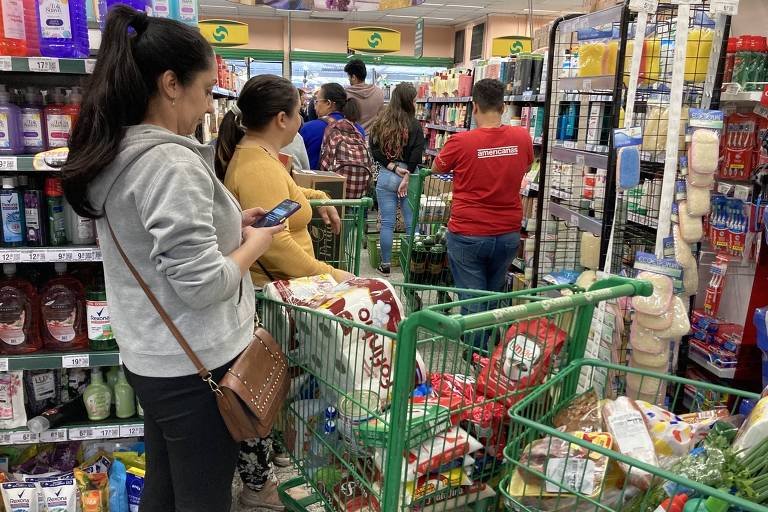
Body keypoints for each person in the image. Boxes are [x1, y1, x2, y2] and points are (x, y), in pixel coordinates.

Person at [60, 7, 283, 512]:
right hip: (195, 365)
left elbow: (155, 239)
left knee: (165, 484)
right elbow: (202, 284)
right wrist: (258, 243)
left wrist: (233, 224)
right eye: (206, 90)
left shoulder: (115, 149)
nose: (209, 105)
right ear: (170, 84)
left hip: (152, 358)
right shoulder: (169, 160)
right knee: (202, 496)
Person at [215, 74, 354, 510]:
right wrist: (333, 274)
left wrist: (320, 200)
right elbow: (277, 245)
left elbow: (289, 198)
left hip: (282, 294)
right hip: (271, 296)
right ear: (281, 118)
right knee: (266, 391)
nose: (303, 116)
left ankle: (276, 459)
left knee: (279, 388)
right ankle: (260, 488)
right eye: (299, 110)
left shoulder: (262, 157)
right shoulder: (256, 166)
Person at [432, 78, 533, 348]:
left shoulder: (459, 141)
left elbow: (436, 168)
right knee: (492, 292)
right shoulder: (522, 137)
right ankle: (490, 344)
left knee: (472, 298)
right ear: (503, 107)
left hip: (469, 233)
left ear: (474, 106)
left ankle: (476, 354)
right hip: (508, 233)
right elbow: (526, 165)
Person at [369, 82, 425, 276]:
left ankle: (385, 265)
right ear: (409, 101)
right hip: (409, 176)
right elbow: (417, 152)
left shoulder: (381, 122)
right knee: (412, 223)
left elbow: (374, 149)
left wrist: (392, 166)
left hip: (386, 175)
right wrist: (407, 173)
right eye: (415, 99)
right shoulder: (415, 124)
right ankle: (412, 265)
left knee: (387, 223)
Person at [300, 82, 365, 170]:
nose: (315, 107)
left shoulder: (309, 128)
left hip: (315, 182)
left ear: (328, 103)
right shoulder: (358, 129)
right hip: (352, 182)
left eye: (317, 102)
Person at [345, 58, 385, 131]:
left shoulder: (345, 94)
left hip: (352, 138)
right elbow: (381, 117)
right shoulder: (379, 92)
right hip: (372, 138)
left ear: (353, 77)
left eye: (349, 77)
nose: (348, 79)